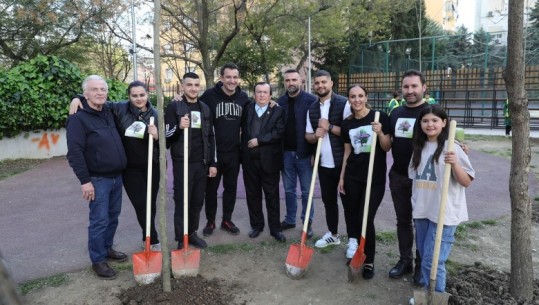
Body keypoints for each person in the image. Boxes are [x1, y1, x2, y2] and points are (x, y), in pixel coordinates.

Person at [70, 81, 161, 251]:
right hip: (130, 169)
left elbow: (166, 142)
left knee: (151, 204)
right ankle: (152, 238)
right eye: (134, 95)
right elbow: (96, 99)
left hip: (151, 166)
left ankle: (146, 236)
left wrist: (156, 137)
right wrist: (77, 97)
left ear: (147, 95)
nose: (139, 99)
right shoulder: (119, 108)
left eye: (142, 95)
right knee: (141, 203)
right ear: (129, 96)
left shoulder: (155, 113)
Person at [66, 75, 128, 280]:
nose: (100, 92)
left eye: (103, 89)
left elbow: (135, 101)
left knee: (112, 217)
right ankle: (98, 260)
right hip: (97, 180)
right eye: (94, 89)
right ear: (86, 94)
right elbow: (74, 152)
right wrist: (85, 181)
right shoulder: (78, 118)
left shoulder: (108, 111)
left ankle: (107, 249)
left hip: (116, 177)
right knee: (99, 220)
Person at [409, 105, 474, 293]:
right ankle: (430, 292)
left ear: (444, 123)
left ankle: (436, 296)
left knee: (434, 260)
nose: (430, 124)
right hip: (422, 210)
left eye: (435, 120)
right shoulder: (418, 147)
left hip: (444, 212)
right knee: (425, 255)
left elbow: (466, 181)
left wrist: (455, 164)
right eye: (425, 120)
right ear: (420, 124)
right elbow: (416, 178)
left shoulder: (452, 148)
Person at [338, 84, 391, 278]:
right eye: (353, 97)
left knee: (365, 219)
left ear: (366, 97)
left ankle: (369, 260)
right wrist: (342, 177)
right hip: (353, 175)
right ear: (349, 100)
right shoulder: (347, 123)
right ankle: (357, 252)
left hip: (374, 178)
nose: (357, 100)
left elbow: (386, 147)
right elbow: (347, 151)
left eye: (360, 96)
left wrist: (379, 133)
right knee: (352, 215)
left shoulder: (380, 118)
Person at [388, 69, 431, 283]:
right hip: (398, 176)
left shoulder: (431, 112)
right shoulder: (395, 113)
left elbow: (444, 138)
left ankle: (422, 265)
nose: (410, 90)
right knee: (403, 220)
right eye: (406, 86)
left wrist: (460, 146)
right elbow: (386, 143)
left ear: (423, 87)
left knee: (421, 222)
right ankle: (405, 261)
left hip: (423, 178)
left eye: (414, 86)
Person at [165, 72, 217, 249]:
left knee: (196, 201)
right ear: (182, 86)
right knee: (182, 200)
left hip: (201, 162)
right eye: (189, 85)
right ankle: (181, 237)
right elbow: (166, 137)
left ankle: (192, 232)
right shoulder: (175, 107)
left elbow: (210, 136)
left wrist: (212, 162)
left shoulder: (204, 108)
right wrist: (179, 128)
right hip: (182, 162)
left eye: (196, 84)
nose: (193, 88)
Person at [201, 63, 251, 237]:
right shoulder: (209, 96)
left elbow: (252, 116)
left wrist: (271, 102)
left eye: (235, 77)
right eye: (228, 77)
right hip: (214, 154)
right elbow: (192, 106)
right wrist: (179, 98)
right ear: (221, 78)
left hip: (233, 153)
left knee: (230, 188)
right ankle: (211, 221)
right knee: (211, 190)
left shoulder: (244, 98)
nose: (232, 80)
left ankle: (226, 220)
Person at [305, 70, 351, 250]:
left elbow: (349, 133)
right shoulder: (312, 108)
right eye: (317, 83)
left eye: (324, 82)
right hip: (323, 164)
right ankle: (333, 234)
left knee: (349, 203)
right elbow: (308, 136)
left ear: (331, 83)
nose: (320, 86)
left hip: (343, 164)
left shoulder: (344, 104)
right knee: (329, 202)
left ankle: (353, 239)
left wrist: (330, 127)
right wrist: (315, 136)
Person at [241, 82, 286, 242]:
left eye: (265, 92)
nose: (261, 95)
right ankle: (257, 226)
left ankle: (275, 229)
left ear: (270, 95)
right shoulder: (247, 109)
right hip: (249, 161)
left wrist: (259, 140)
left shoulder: (278, 110)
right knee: (252, 195)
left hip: (269, 161)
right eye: (258, 92)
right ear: (254, 94)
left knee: (272, 196)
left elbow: (278, 132)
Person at [277, 69, 317, 238]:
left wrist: (315, 153)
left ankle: (307, 223)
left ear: (301, 81)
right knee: (289, 190)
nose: (291, 83)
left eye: (294, 79)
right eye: (288, 80)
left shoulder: (312, 101)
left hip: (305, 154)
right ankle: (290, 219)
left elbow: (316, 128)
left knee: (307, 191)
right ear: (284, 82)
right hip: (286, 153)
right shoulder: (280, 102)